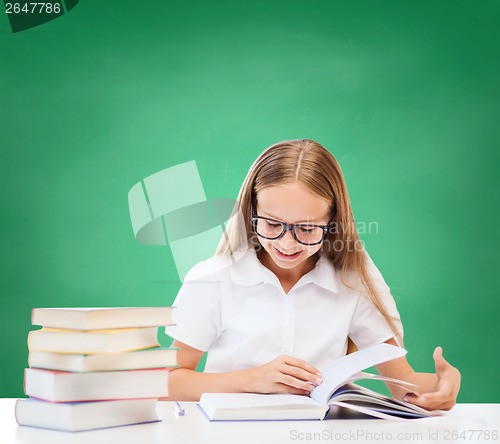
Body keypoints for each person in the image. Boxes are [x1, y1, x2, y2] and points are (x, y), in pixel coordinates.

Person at [165, 139, 461, 410]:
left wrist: (443, 386)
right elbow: (168, 381)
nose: (286, 243)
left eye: (306, 229)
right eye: (271, 224)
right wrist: (252, 380)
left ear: (333, 221)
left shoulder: (353, 278)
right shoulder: (213, 278)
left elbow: (403, 385)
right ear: (251, 210)